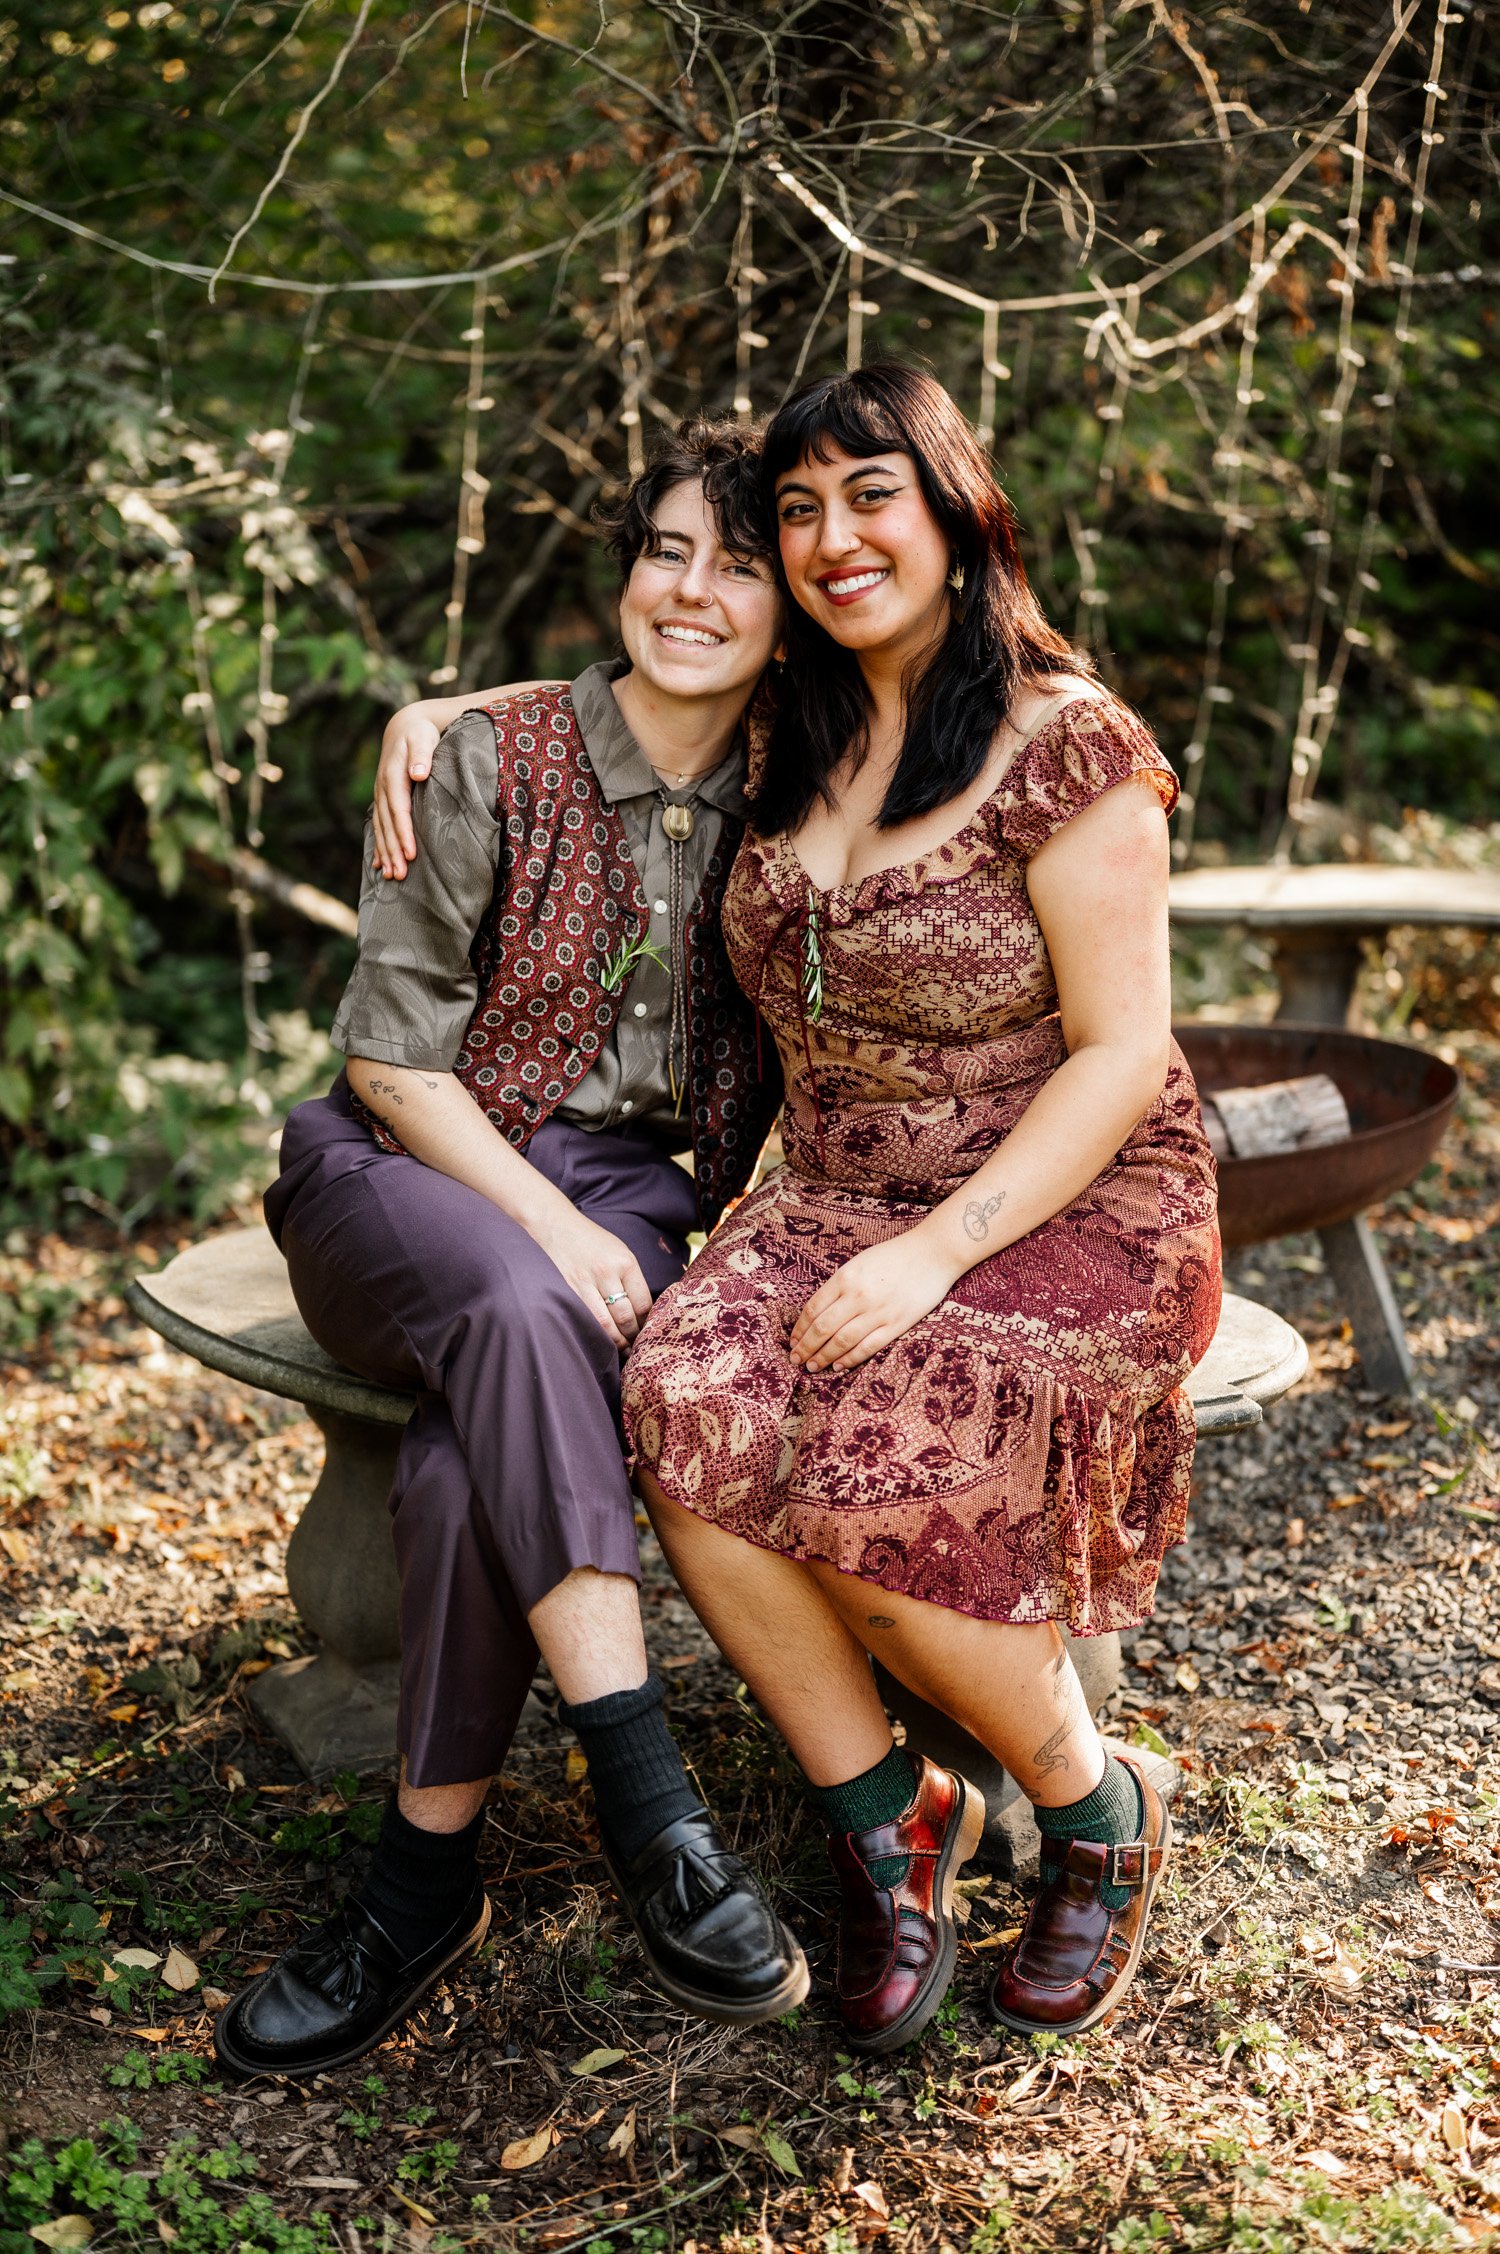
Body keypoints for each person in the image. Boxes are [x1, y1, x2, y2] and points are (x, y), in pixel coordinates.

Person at [621, 364, 1222, 2054]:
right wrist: (423, 720)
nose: (831, 538)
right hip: (832, 1186)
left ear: (955, 508)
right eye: (797, 510)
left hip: (1070, 1193)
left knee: (877, 1460)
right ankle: (892, 1815)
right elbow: (611, 687)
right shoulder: (782, 723)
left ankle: (1091, 1803)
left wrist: (934, 1254)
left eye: (868, 494)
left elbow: (1122, 1052)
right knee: (684, 1399)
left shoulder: (1067, 741)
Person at [213, 418, 807, 2082]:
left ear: (788, 612)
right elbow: (390, 1065)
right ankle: (648, 1794)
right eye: (666, 550)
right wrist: (544, 1218)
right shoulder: (488, 758)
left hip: (628, 1190)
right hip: (398, 1165)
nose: (690, 592)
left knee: (478, 1444)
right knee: (509, 1293)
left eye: (740, 567)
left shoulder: (800, 789)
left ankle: (417, 1888)